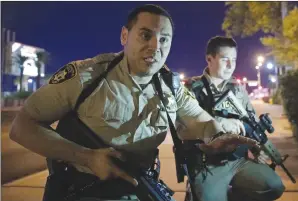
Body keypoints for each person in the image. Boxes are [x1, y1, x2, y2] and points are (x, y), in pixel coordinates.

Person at [9, 5, 259, 201]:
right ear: (124, 36)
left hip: (141, 189)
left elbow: (200, 122)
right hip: (83, 190)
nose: (155, 46)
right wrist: (86, 157)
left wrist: (216, 135)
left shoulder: (170, 86)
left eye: (164, 39)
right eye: (145, 35)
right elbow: (22, 126)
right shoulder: (88, 76)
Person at [179, 36, 285, 201]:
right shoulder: (193, 89)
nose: (230, 65)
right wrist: (220, 124)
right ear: (210, 59)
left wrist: (258, 149)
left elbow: (250, 122)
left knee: (274, 185)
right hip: (207, 165)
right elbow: (182, 128)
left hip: (237, 161)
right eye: (225, 59)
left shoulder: (238, 89)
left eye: (234, 60)